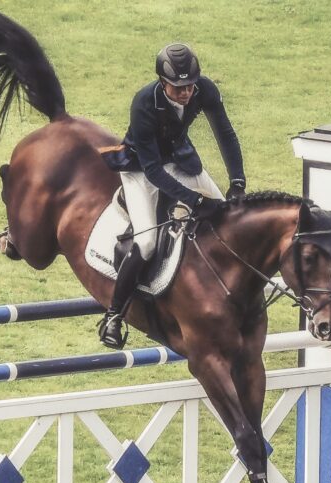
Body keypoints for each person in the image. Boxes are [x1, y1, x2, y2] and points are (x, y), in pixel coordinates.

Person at [98, 42, 246, 349]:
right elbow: (153, 171)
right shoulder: (144, 103)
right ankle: (113, 316)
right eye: (179, 88)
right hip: (141, 170)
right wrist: (193, 200)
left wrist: (237, 181)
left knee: (227, 221)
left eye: (190, 86)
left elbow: (226, 134)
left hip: (179, 159)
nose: (187, 93)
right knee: (147, 242)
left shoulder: (204, 89)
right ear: (163, 83)